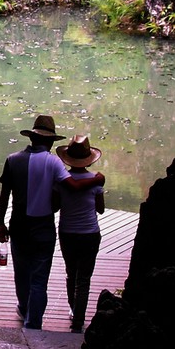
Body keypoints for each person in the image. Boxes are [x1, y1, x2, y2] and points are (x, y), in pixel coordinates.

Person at [0, 115, 104, 330]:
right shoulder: (53, 161)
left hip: (18, 224)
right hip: (43, 226)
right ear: (51, 141)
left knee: (22, 272)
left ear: (32, 137)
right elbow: (73, 186)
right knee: (39, 277)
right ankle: (33, 323)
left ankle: (24, 307)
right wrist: (97, 180)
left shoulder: (12, 159)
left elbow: (4, 194)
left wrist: (0, 223)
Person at [55, 135, 106, 334]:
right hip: (90, 234)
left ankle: (73, 309)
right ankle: (78, 320)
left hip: (68, 233)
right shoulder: (95, 181)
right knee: (84, 278)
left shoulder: (61, 180)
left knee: (71, 274)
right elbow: (100, 209)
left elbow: (56, 205)